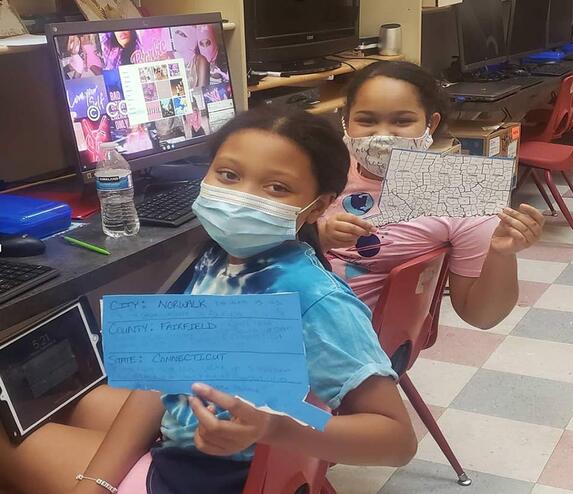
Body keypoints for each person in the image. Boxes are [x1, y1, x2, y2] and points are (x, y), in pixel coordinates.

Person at [0, 107, 417, 494]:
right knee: (63, 405)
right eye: (229, 175)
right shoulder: (221, 257)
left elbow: (396, 440)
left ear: (317, 207)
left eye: (276, 187)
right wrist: (96, 483)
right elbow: (167, 375)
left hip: (206, 480)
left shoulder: (315, 299)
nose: (241, 199)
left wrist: (275, 428)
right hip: (186, 444)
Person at [318, 61, 545, 329]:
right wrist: (318, 237)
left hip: (358, 342)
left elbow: (482, 316)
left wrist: (501, 254)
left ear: (430, 123)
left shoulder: (463, 196)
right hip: (289, 313)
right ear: (345, 122)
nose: (382, 135)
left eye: (402, 121)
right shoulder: (322, 169)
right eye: (366, 120)